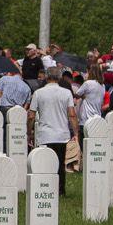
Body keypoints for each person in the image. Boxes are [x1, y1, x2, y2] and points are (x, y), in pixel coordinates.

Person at [29, 65, 75, 194]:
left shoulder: (38, 93)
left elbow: (31, 115)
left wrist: (29, 132)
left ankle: (45, 188)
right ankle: (60, 190)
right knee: (60, 164)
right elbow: (72, 114)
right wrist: (75, 132)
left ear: (46, 77)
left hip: (45, 134)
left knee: (44, 163)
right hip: (62, 134)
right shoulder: (66, 93)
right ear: (60, 77)